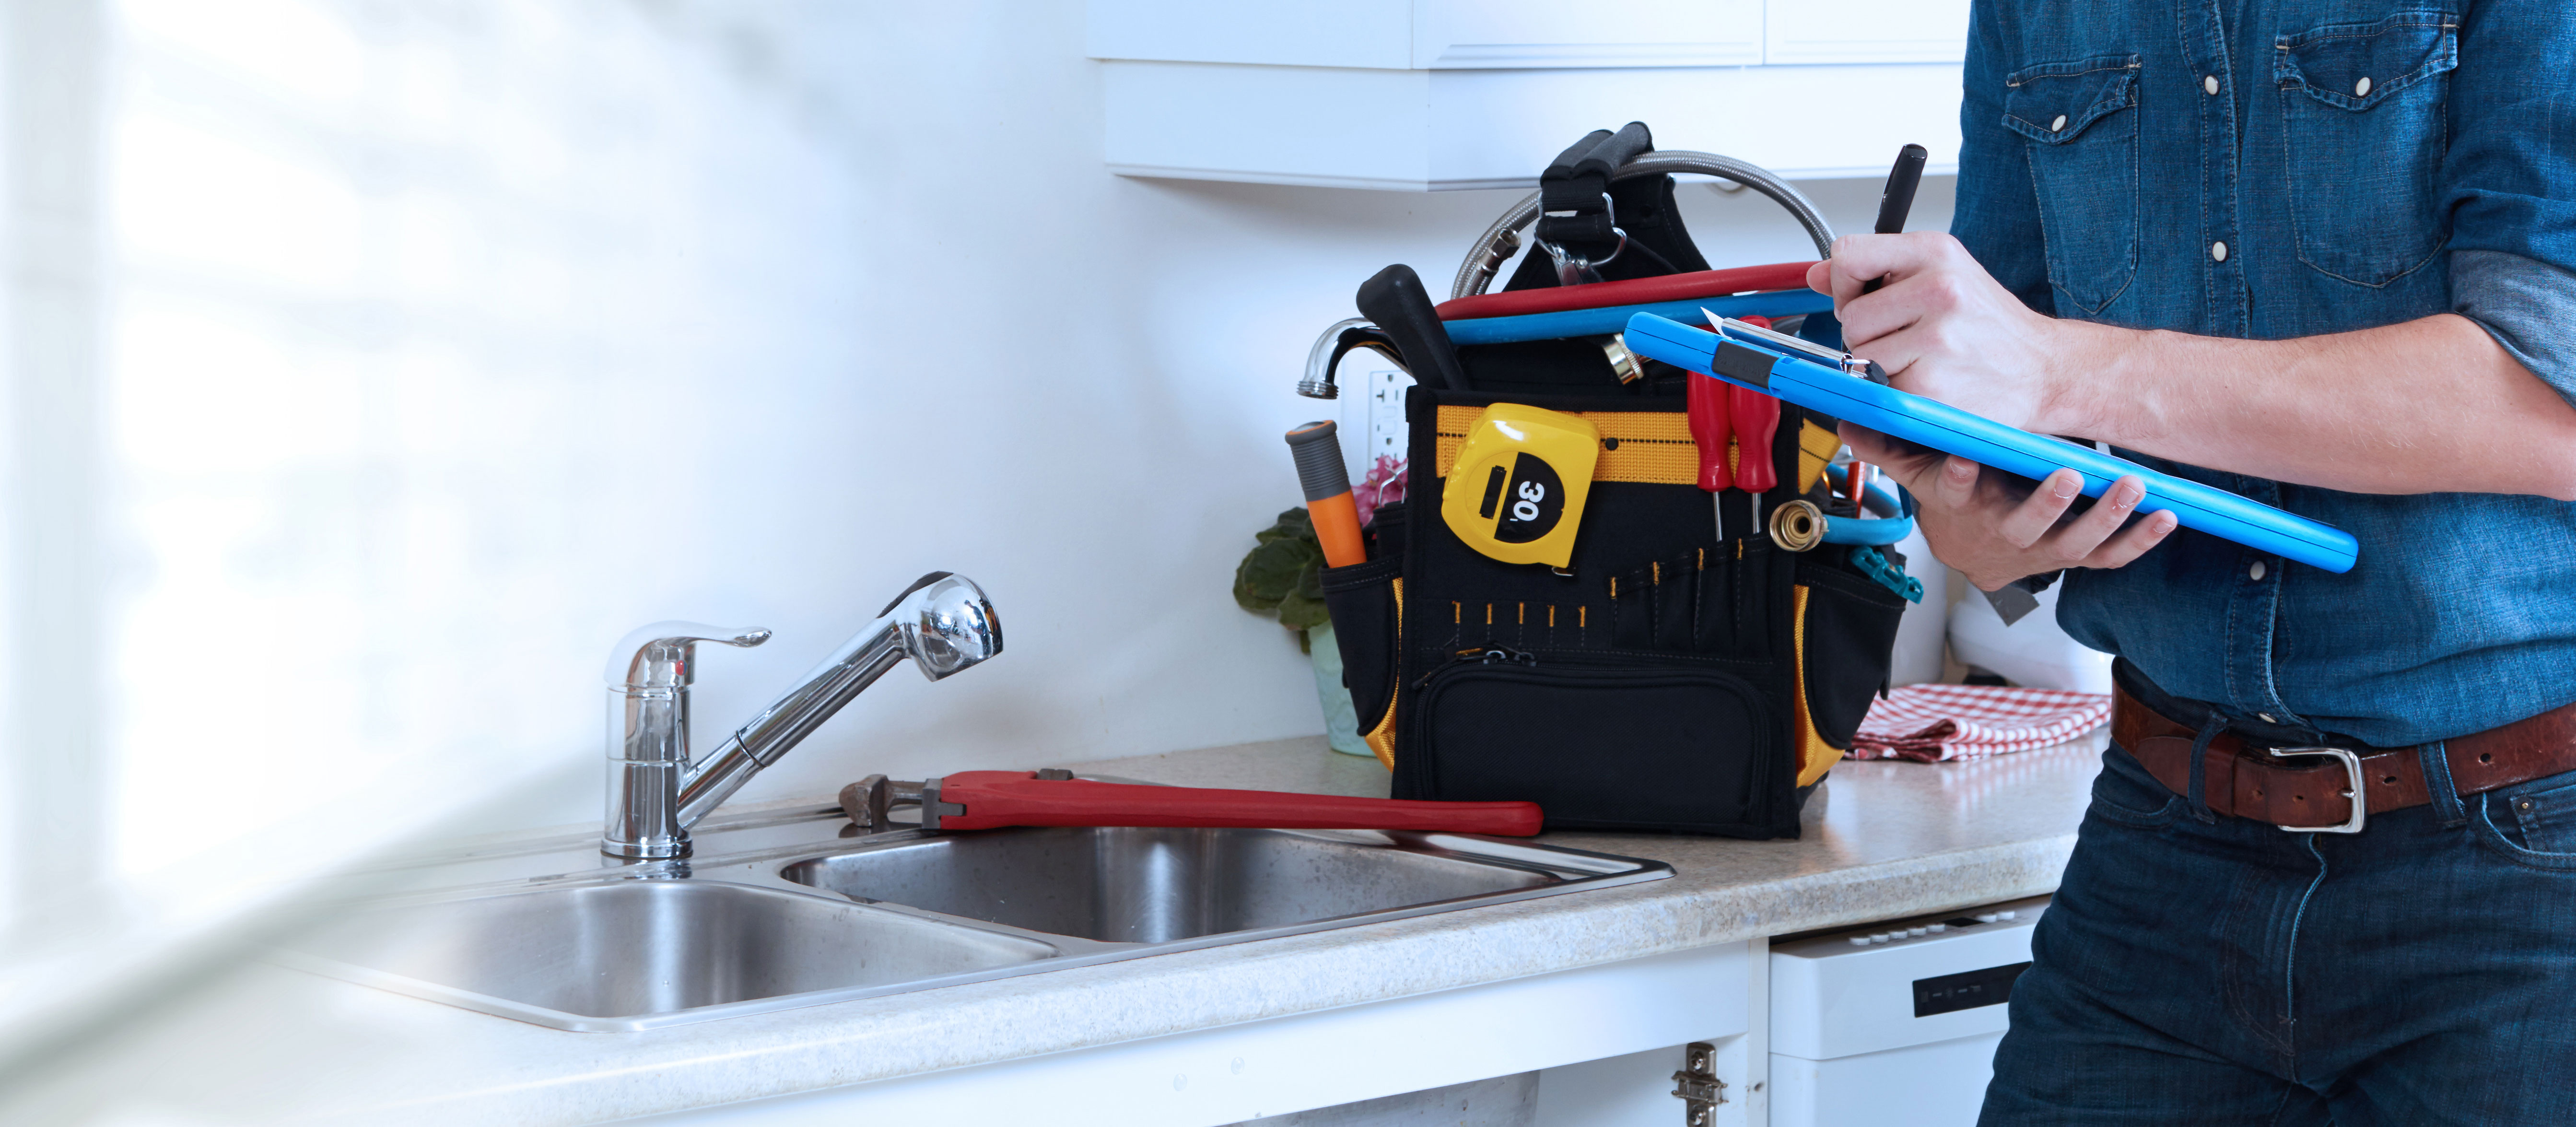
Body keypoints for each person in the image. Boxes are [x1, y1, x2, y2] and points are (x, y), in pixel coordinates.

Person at [1803, 2, 2576, 1124]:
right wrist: (1973, 506)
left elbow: (2547, 399)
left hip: (2522, 874)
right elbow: (1995, 472)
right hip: (2162, 853)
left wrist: (2062, 373)